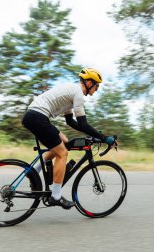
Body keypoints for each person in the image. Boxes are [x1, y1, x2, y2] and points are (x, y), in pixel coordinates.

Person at [21, 68, 116, 209]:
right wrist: (104, 138)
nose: (96, 89)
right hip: (38, 117)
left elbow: (71, 122)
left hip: (34, 116)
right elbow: (83, 123)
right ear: (89, 83)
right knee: (62, 153)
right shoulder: (78, 93)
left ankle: (33, 170)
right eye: (97, 86)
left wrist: (92, 134)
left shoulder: (71, 93)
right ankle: (56, 196)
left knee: (65, 143)